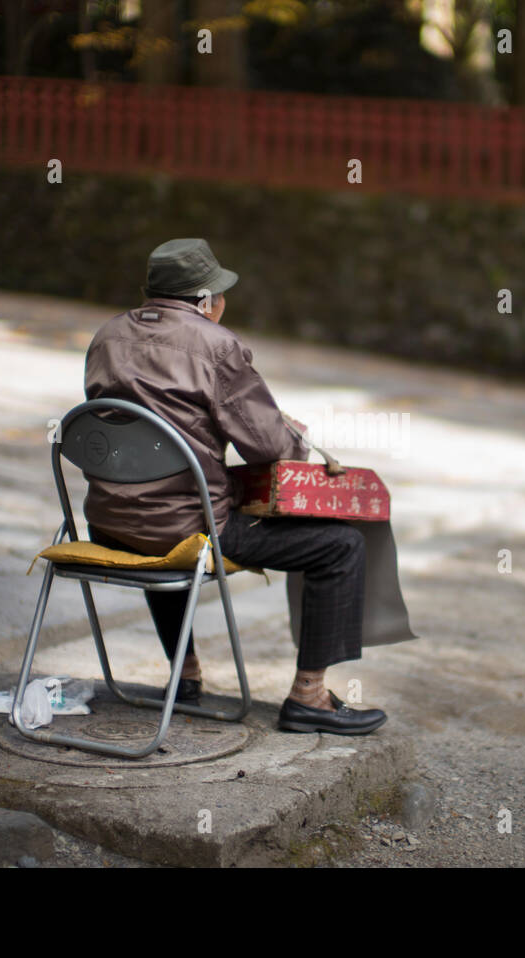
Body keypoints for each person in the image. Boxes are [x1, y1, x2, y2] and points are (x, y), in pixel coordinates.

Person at [83, 238, 387, 734]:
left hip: (109, 526)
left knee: (158, 510)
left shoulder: (107, 336)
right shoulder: (216, 346)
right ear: (205, 301)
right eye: (220, 294)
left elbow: (128, 425)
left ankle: (184, 675)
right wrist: (293, 433)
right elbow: (274, 453)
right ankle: (310, 697)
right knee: (342, 545)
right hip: (187, 535)